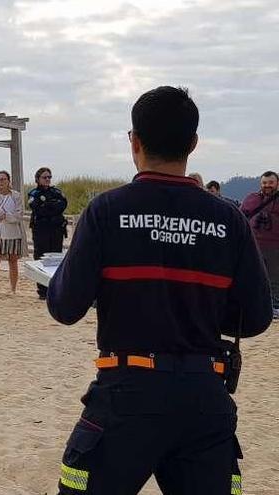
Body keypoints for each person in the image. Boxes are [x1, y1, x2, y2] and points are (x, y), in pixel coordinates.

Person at [48, 86, 272, 495]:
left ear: (134, 141)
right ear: (194, 143)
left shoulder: (106, 211)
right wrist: (201, 306)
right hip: (204, 399)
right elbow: (256, 317)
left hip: (125, 394)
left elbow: (64, 306)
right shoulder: (229, 220)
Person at [241, 171, 279, 318]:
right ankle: (255, 305)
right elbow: (241, 216)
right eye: (264, 183)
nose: (267, 185)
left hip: (275, 246)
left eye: (270, 182)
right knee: (254, 276)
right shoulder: (251, 199)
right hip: (254, 243)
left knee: (274, 278)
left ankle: (275, 306)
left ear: (277, 183)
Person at [28, 166, 68, 299]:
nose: (47, 180)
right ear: (38, 179)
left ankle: (54, 287)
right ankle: (42, 290)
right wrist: (51, 206)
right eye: (44, 177)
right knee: (41, 256)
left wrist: (49, 206)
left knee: (55, 257)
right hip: (41, 230)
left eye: (49, 177)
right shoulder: (34, 193)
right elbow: (38, 209)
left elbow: (62, 205)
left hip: (56, 229)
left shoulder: (56, 192)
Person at [0, 171, 27, 295]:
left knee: (13, 261)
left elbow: (19, 214)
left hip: (12, 232)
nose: (1, 182)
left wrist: (7, 216)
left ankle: (13, 289)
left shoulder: (16, 195)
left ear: (8, 181)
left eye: (3, 179)